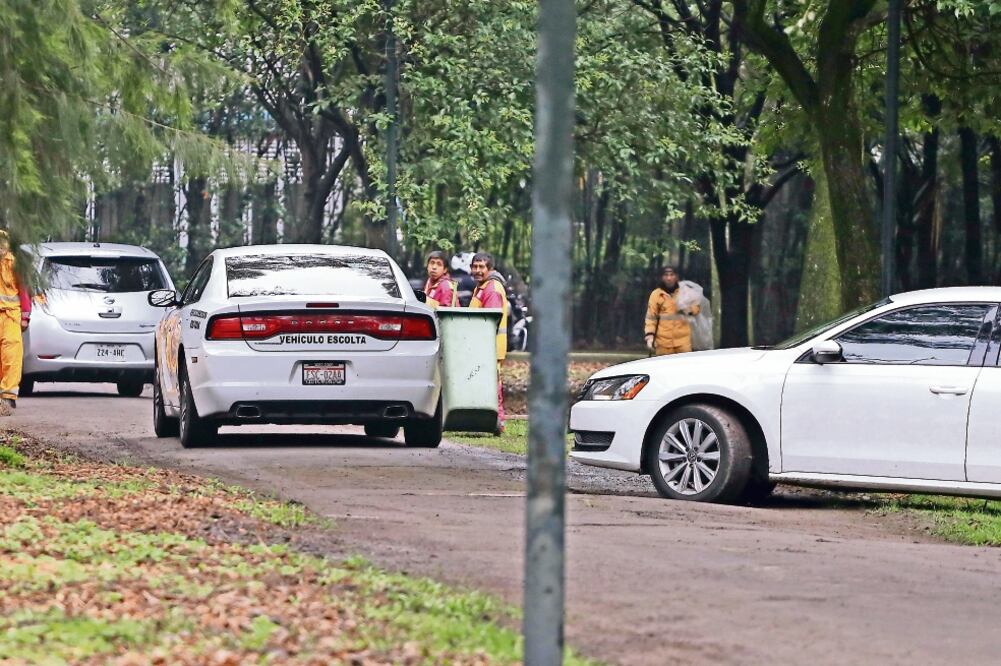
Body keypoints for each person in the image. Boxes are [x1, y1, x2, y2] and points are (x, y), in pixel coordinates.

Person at [469, 252, 508, 433]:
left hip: (491, 346)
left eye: (481, 267)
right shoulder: (482, 287)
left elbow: (490, 321)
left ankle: (498, 421)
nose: (477, 270)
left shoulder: (491, 289)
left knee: (494, 383)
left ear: (489, 269)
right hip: (485, 346)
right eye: (475, 267)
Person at [0, 230, 31, 416]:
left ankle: (7, 397)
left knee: (11, 355)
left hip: (11, 316)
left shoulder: (14, 263)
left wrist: (25, 317)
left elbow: (24, 290)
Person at [644, 266, 698, 356]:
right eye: (666, 275)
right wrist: (650, 335)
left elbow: (696, 308)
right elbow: (651, 317)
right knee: (663, 368)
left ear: (676, 276)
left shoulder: (685, 292)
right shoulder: (656, 295)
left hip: (683, 342)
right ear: (662, 277)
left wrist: (688, 309)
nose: (669, 278)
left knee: (683, 368)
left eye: (672, 275)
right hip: (663, 343)